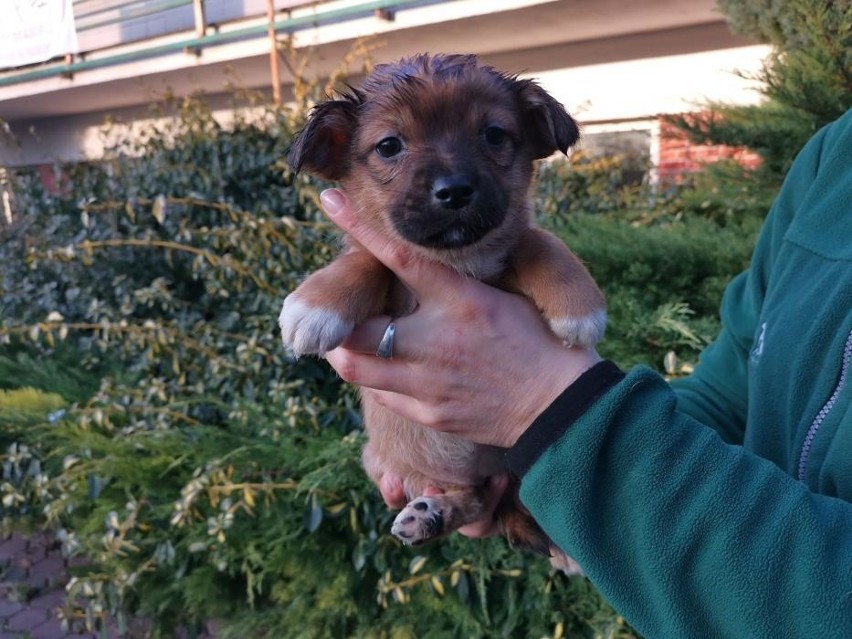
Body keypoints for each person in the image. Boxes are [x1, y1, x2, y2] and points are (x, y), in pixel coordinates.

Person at [321, 109, 852, 638]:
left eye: (492, 137)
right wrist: (556, 477)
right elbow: (734, 389)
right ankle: (466, 499)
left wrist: (556, 413)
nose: (451, 175)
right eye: (391, 148)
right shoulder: (833, 158)